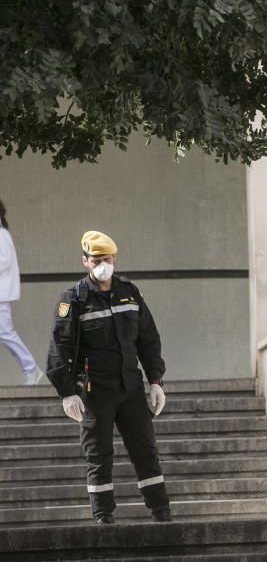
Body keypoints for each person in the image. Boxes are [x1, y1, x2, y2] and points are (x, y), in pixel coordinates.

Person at [45, 231, 171, 524]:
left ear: (115, 259)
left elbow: (148, 339)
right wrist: (66, 392)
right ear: (85, 262)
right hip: (94, 393)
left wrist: (155, 381)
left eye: (108, 259)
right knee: (98, 458)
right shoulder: (74, 299)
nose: (103, 265)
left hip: (130, 389)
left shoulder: (130, 292)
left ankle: (162, 514)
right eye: (97, 260)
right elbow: (58, 348)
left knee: (146, 452)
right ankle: (104, 518)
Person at [0, 200, 45, 385]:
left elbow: (3, 261)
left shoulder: (1, 234)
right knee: (5, 332)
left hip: (1, 294)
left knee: (6, 332)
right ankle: (31, 369)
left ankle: (31, 369)